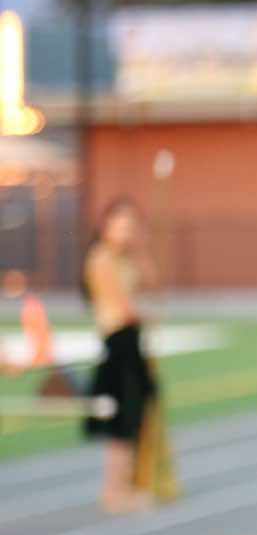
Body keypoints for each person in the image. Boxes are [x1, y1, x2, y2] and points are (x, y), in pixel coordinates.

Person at [81, 198, 166, 512]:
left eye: (131, 227)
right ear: (106, 227)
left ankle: (126, 485)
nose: (126, 233)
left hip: (132, 340)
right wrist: (146, 316)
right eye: (121, 226)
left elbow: (151, 282)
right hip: (118, 341)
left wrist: (141, 249)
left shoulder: (125, 257)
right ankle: (114, 490)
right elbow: (123, 306)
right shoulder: (101, 258)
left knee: (134, 415)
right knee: (121, 419)